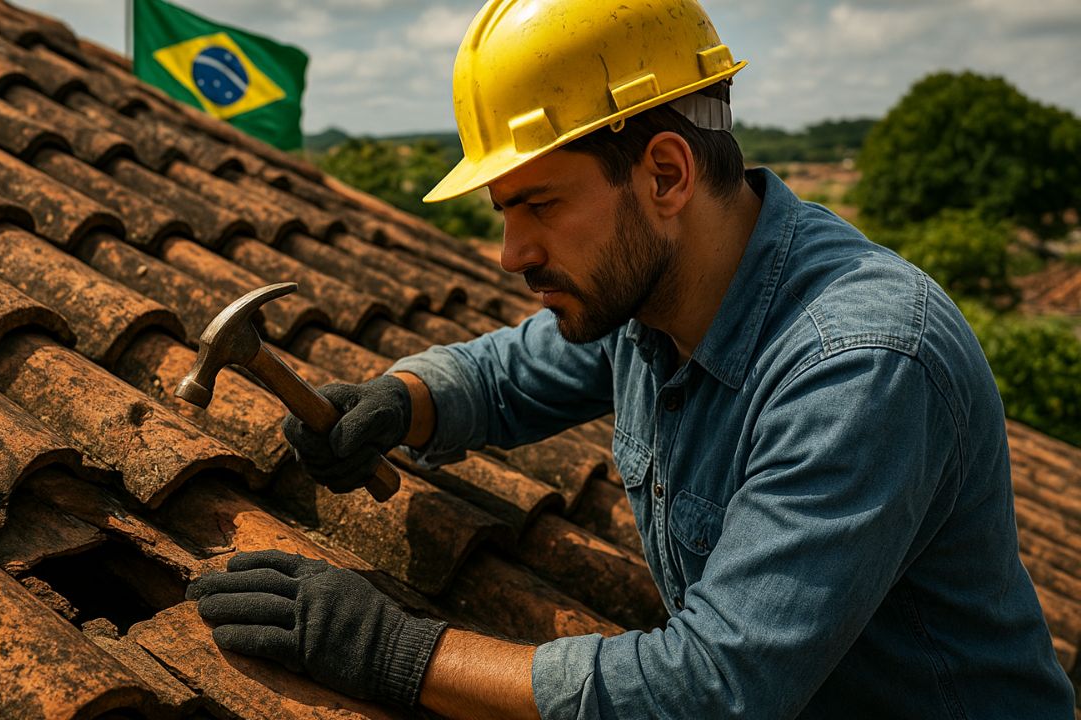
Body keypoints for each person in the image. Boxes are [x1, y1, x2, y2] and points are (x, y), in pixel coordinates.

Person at [184, 0, 1076, 717]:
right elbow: (513, 371)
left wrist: (395, 652)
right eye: (503, 212)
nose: (510, 253)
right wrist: (400, 398)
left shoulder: (863, 365)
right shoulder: (653, 292)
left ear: (664, 174)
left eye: (538, 205)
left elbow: (713, 691)